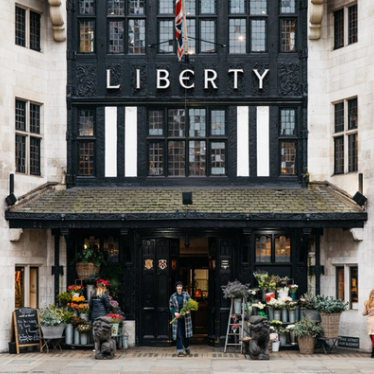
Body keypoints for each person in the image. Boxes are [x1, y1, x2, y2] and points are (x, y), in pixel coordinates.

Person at [169, 281, 193, 357]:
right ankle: (180, 351)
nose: (179, 288)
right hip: (177, 318)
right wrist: (174, 313)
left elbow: (191, 304)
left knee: (186, 334)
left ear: (182, 287)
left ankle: (187, 347)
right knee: (178, 334)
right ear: (176, 287)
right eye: (178, 286)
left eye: (180, 286)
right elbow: (171, 306)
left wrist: (188, 309)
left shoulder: (186, 295)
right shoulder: (173, 296)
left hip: (186, 317)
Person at [362, 289, 374, 357]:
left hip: (370, 321)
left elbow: (363, 313)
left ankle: (373, 352)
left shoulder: (367, 303)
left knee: (372, 336)